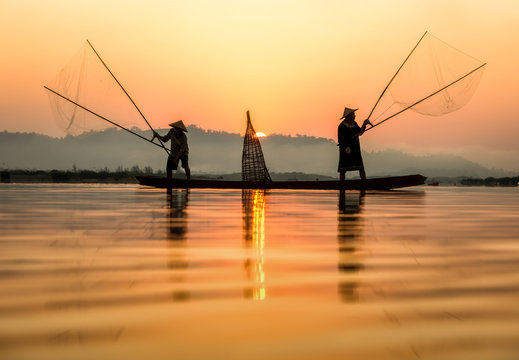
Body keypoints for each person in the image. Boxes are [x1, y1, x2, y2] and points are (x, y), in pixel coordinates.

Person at [337, 107, 371, 181]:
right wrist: (346, 147)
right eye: (353, 115)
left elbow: (360, 132)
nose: (354, 116)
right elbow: (341, 139)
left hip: (355, 148)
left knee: (361, 167)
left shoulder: (354, 124)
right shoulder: (341, 126)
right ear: (348, 116)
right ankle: (342, 184)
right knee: (343, 169)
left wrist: (364, 124)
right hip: (346, 149)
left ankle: (364, 182)